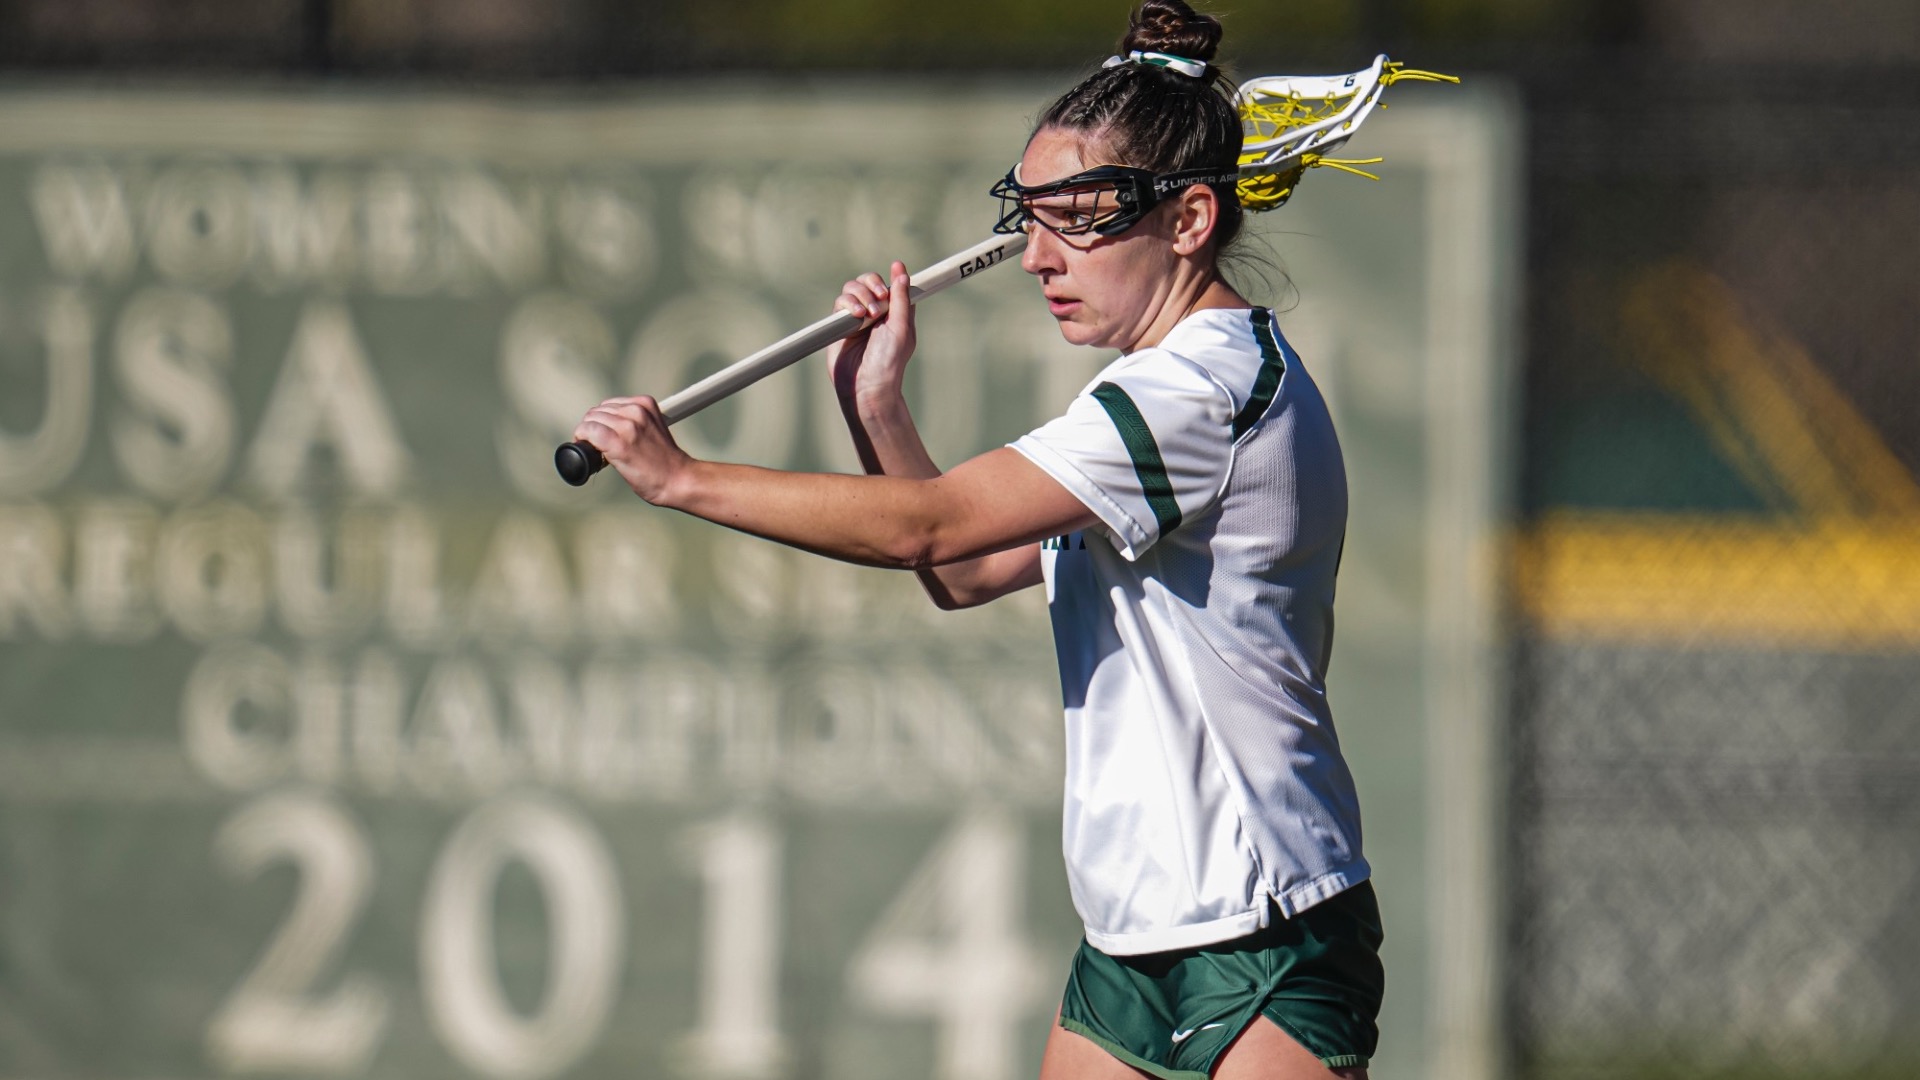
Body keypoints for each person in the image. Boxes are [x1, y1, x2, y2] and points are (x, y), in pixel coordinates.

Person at [571, 2, 1383, 1076]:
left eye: (1079, 219)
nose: (1039, 256)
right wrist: (879, 406)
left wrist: (685, 479)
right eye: (1030, 217)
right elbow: (960, 569)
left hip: (1268, 926)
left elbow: (932, 523)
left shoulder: (1206, 390)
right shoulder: (1147, 391)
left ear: (1189, 222)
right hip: (1131, 936)